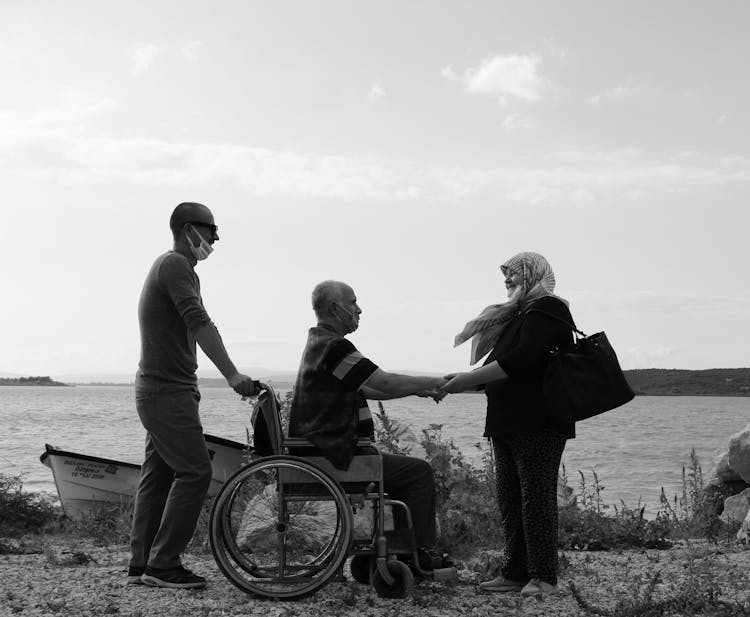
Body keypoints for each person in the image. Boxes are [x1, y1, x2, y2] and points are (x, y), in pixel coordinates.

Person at [128, 202, 257, 589]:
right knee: (196, 471)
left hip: (165, 389)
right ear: (189, 229)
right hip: (166, 390)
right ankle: (164, 564)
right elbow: (198, 321)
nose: (216, 238)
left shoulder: (178, 268)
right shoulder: (174, 265)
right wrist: (232, 374)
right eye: (211, 229)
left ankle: (142, 564)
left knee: (159, 474)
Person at [289, 280, 452, 571]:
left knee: (403, 475)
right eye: (353, 303)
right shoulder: (334, 346)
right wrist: (436, 381)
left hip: (323, 451)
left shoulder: (320, 342)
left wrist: (415, 389)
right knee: (418, 474)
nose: (359, 309)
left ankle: (395, 552)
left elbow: (369, 388)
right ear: (335, 308)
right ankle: (415, 555)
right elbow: (383, 381)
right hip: (335, 457)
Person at [441, 252, 574, 599]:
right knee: (511, 498)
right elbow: (499, 366)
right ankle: (515, 573)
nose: (507, 281)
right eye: (505, 275)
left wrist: (466, 380)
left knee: (535, 497)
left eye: (514, 274)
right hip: (507, 420)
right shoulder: (517, 315)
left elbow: (521, 360)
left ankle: (544, 576)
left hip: (539, 420)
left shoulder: (549, 308)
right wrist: (461, 381)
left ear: (534, 276)